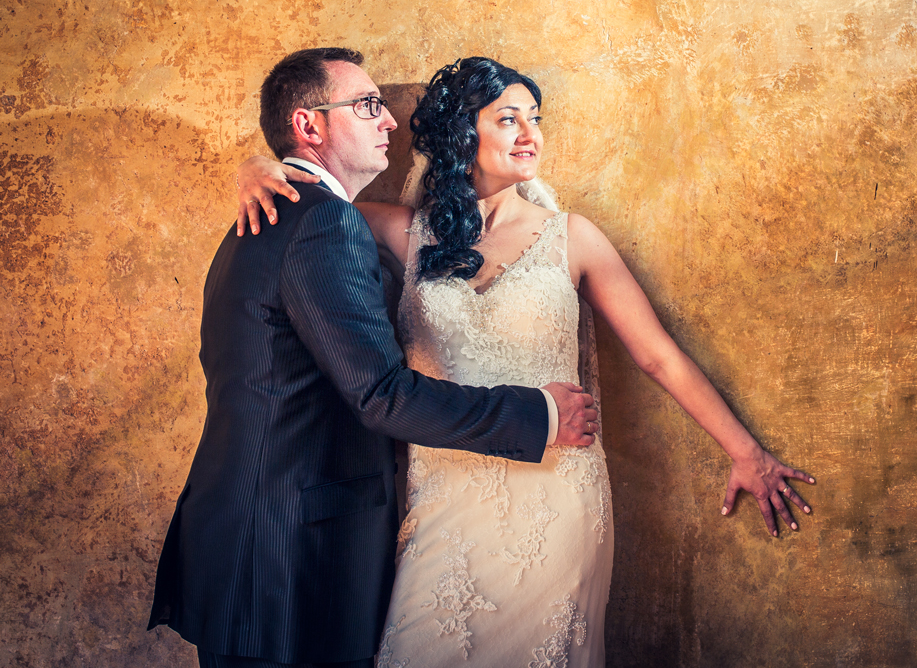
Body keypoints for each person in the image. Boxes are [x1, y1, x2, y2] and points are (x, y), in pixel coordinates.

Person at [236, 57, 816, 666]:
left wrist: (746, 453)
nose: (529, 134)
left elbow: (657, 357)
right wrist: (252, 168)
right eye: (508, 119)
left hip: (555, 493)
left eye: (534, 119)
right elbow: (313, 199)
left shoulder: (574, 238)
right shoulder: (406, 232)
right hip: (445, 497)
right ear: (464, 134)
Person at [147, 48, 600, 668]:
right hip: (291, 550)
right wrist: (540, 416)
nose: (390, 121)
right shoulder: (320, 223)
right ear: (309, 127)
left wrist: (256, 165)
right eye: (367, 106)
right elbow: (381, 394)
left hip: (247, 535)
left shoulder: (280, 214)